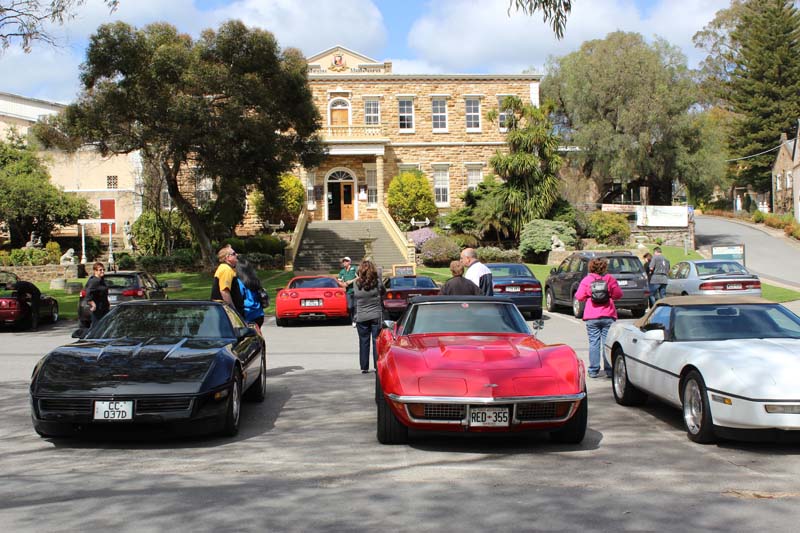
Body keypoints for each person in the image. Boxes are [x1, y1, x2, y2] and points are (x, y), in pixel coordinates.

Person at [575, 257, 623, 378]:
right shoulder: (609, 279)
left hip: (592, 315)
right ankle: (609, 369)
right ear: (604, 267)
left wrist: (588, 296)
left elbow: (579, 296)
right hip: (608, 314)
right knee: (607, 344)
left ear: (591, 267)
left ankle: (593, 370)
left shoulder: (587, 280)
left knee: (594, 343)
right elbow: (618, 294)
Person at [353, 260, 384, 374]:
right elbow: (383, 292)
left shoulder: (356, 283)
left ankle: (364, 366)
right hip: (376, 315)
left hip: (361, 315)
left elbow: (355, 295)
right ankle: (377, 366)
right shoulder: (377, 282)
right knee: (377, 341)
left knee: (363, 341)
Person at [211, 244, 245, 317]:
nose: (236, 255)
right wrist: (233, 311)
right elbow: (224, 292)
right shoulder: (226, 269)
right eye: (234, 254)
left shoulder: (228, 269)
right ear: (227, 257)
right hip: (225, 313)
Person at [236, 257, 267, 335]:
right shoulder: (255, 280)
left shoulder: (239, 282)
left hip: (247, 314)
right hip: (259, 314)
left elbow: (239, 298)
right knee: (257, 335)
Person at [84, 262, 110, 327]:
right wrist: (92, 303)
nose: (102, 271)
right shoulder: (94, 281)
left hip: (104, 307)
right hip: (98, 308)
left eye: (103, 269)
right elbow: (88, 293)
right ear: (95, 271)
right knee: (97, 326)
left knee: (104, 326)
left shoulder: (101, 280)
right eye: (100, 270)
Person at [337, 256, 357, 326]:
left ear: (350, 262)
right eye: (343, 261)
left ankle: (355, 320)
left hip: (356, 290)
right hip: (348, 291)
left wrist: (351, 281)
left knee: (356, 306)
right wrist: (343, 284)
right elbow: (339, 281)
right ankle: (353, 319)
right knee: (350, 306)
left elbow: (360, 277)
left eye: (346, 261)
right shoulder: (342, 271)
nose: (344, 262)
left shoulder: (354, 269)